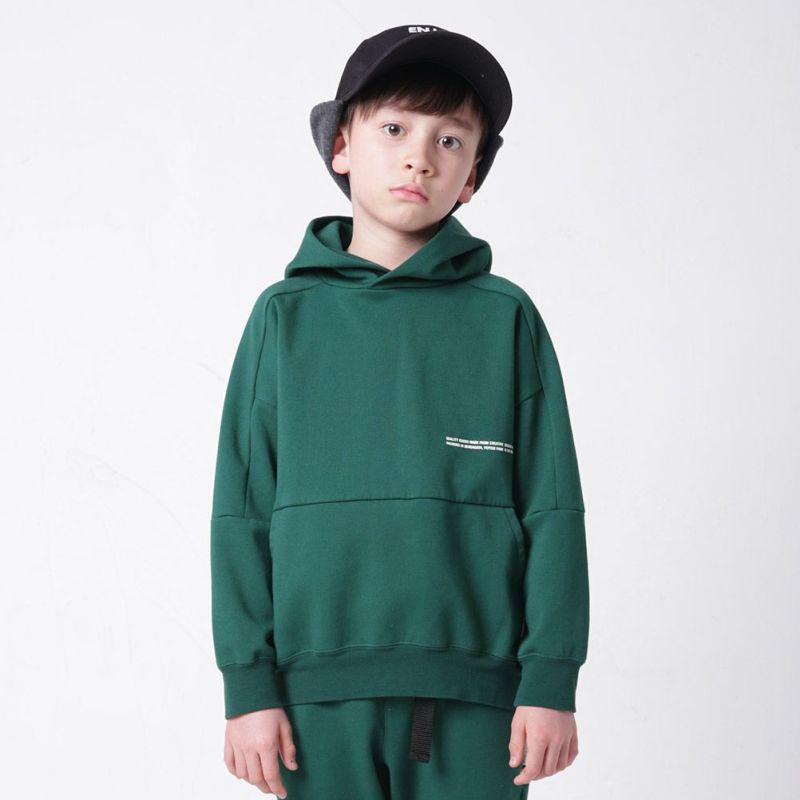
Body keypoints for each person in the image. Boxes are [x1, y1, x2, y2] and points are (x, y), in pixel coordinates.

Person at [209, 24, 590, 800]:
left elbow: (553, 510)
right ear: (341, 146)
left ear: (471, 177)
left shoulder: (504, 318)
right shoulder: (284, 317)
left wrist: (551, 678)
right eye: (394, 129)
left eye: (450, 140)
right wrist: (247, 686)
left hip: (478, 695)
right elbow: (240, 512)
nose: (420, 157)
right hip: (312, 698)